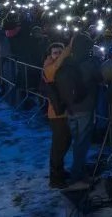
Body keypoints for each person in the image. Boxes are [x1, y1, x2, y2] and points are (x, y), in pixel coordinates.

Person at [54, 32, 101, 187]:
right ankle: (77, 174)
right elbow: (101, 76)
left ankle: (77, 168)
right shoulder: (89, 63)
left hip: (70, 107)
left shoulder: (68, 61)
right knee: (82, 142)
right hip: (85, 107)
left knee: (77, 140)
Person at [43, 40, 72, 188]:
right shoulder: (49, 67)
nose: (58, 55)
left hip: (65, 112)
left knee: (65, 142)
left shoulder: (63, 66)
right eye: (55, 53)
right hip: (56, 114)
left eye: (60, 52)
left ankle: (59, 171)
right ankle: (55, 178)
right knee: (58, 146)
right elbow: (56, 66)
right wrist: (69, 47)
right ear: (50, 55)